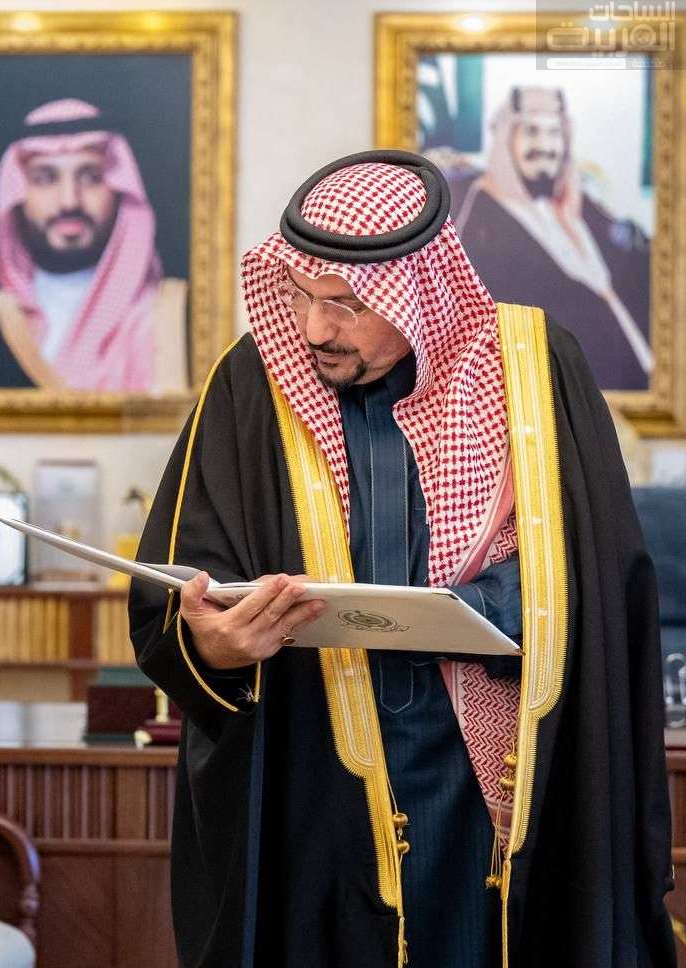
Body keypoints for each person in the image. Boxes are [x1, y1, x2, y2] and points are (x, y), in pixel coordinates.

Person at [129, 149, 674, 967]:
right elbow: (178, 589)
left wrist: (480, 608)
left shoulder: (534, 367)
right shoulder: (250, 385)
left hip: (490, 781)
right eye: (300, 296)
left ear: (415, 291)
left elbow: (599, 575)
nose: (315, 330)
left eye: (346, 305)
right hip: (311, 782)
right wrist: (214, 643)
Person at [0, 98, 188, 393]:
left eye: (91, 177)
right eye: (45, 178)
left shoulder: (176, 317)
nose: (70, 200)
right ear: (16, 192)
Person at [448, 85, 652, 391]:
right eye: (531, 132)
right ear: (507, 139)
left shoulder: (578, 205)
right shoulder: (483, 221)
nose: (545, 146)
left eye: (554, 133)